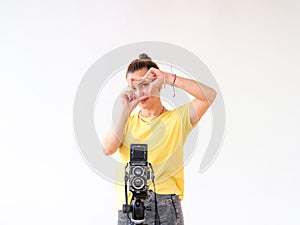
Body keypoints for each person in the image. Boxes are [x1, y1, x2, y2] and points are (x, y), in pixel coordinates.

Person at [103, 53, 217, 225]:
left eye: (145, 84)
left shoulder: (177, 119)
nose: (140, 92)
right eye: (133, 87)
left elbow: (209, 95)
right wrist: (125, 111)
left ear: (157, 83)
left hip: (164, 205)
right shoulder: (126, 121)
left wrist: (168, 78)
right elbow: (107, 148)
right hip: (129, 206)